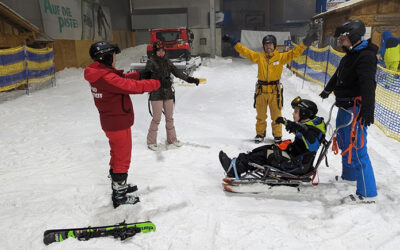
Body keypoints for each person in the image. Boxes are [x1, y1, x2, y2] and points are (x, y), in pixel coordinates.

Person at [84, 41, 161, 208]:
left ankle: (119, 186)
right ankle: (119, 195)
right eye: (113, 56)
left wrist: (137, 74)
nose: (115, 59)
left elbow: (121, 80)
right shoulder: (105, 77)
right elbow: (129, 86)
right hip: (118, 123)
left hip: (113, 121)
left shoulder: (99, 74)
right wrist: (155, 83)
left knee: (116, 155)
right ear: (105, 57)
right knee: (122, 158)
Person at [222, 25, 318, 144]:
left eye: (270, 44)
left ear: (274, 45)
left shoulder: (281, 57)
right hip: (261, 91)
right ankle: (260, 134)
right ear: (264, 46)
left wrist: (306, 42)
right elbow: (245, 51)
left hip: (274, 92)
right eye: (266, 44)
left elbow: (295, 52)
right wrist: (233, 41)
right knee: (261, 116)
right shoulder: (259, 57)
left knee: (276, 116)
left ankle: (277, 135)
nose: (268, 46)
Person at [319, 19, 378, 202]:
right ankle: (349, 176)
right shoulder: (350, 55)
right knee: (345, 142)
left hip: (356, 108)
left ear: (353, 37)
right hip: (344, 107)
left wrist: (368, 110)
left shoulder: (366, 57)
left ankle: (367, 193)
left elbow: (368, 85)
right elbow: (339, 74)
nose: (340, 42)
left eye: (343, 38)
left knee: (358, 148)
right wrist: (328, 89)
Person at [219, 97, 325, 177]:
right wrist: (286, 122)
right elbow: (299, 128)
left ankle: (234, 170)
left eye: (296, 111)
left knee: (264, 154)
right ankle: (237, 164)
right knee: (264, 149)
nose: (293, 113)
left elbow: (313, 145)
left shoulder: (312, 130)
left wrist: (300, 128)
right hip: (294, 157)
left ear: (305, 113)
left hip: (297, 165)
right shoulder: (309, 124)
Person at [143, 41, 200, 151]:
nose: (161, 52)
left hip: (168, 94)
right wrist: (151, 77)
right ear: (155, 52)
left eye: (163, 50)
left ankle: (172, 139)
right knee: (156, 119)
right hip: (156, 94)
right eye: (159, 51)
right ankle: (151, 141)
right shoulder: (151, 62)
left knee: (169, 118)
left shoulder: (167, 62)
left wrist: (190, 79)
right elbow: (146, 76)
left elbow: (177, 72)